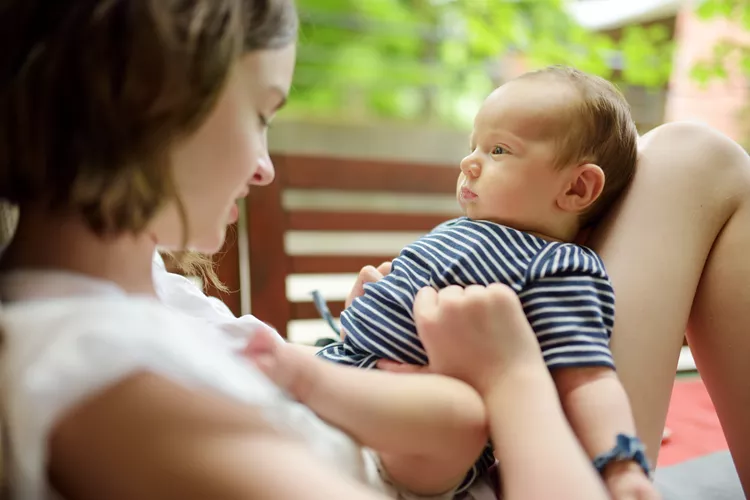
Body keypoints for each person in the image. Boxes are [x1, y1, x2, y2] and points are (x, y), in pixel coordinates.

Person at [0, 1, 619, 499]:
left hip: (457, 454)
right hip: (530, 460)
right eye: (262, 113)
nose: (265, 168)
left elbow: (433, 419)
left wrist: (389, 362)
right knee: (691, 163)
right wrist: (511, 377)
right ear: (149, 102)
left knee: (690, 160)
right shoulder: (107, 374)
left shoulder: (156, 300)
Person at [315, 66, 654, 499]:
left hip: (426, 436)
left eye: (499, 150)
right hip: (349, 373)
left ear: (577, 188)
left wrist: (622, 466)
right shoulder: (463, 229)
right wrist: (372, 311)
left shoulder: (559, 266)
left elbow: (589, 378)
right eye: (473, 145)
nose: (469, 162)